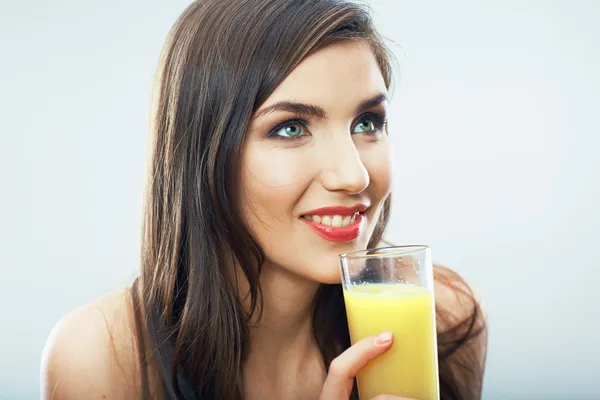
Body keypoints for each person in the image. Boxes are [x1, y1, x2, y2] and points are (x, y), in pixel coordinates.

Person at [41, 0, 487, 399]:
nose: (353, 175)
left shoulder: (443, 320)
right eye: (291, 127)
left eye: (368, 122)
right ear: (203, 155)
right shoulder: (105, 357)